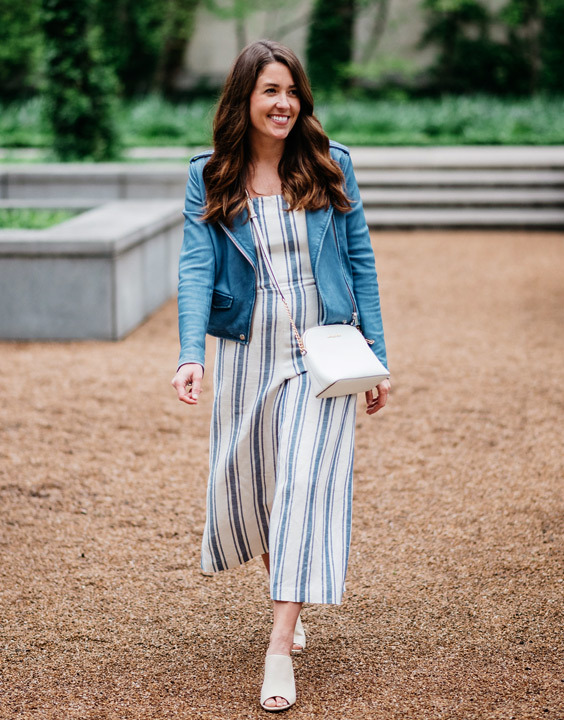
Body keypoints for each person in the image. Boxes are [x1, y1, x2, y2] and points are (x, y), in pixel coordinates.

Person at [171, 39, 390, 713]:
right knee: (261, 490)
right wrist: (190, 353)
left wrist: (376, 353)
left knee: (303, 480)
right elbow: (195, 267)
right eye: (270, 90)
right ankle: (286, 597)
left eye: (292, 91)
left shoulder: (331, 166)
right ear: (244, 98)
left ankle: (279, 640)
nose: (284, 103)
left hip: (321, 353)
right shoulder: (210, 175)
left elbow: (362, 261)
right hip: (246, 349)